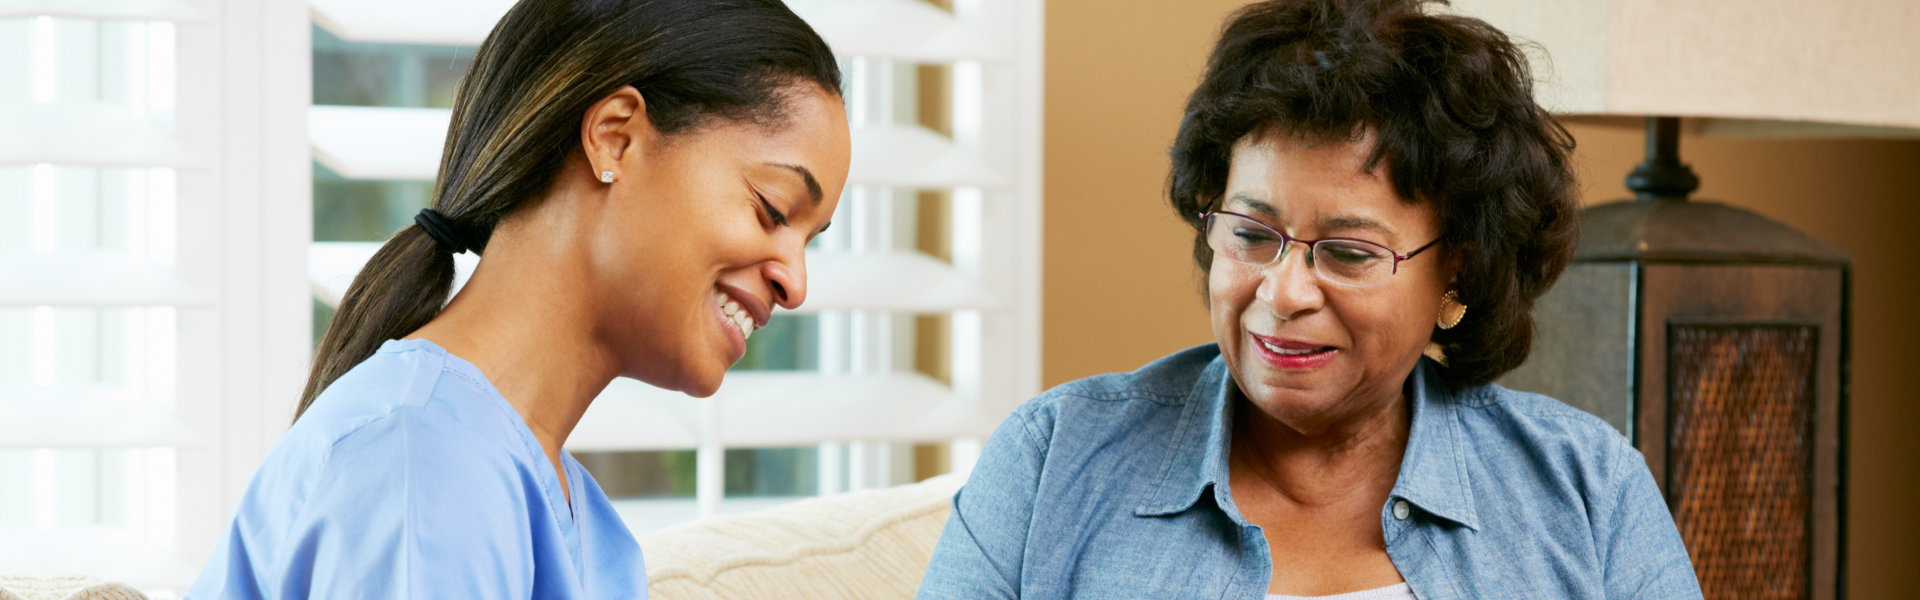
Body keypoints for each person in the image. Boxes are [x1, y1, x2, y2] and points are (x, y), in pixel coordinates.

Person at [916, 0, 1702, 598]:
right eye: (1252, 235)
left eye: (1350, 253)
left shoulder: (1588, 491)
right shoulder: (1053, 459)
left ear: (1458, 271)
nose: (1282, 293)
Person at [186, 0, 848, 597]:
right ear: (616, 136)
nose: (796, 283)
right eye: (774, 208)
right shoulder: (426, 462)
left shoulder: (579, 521)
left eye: (810, 242)